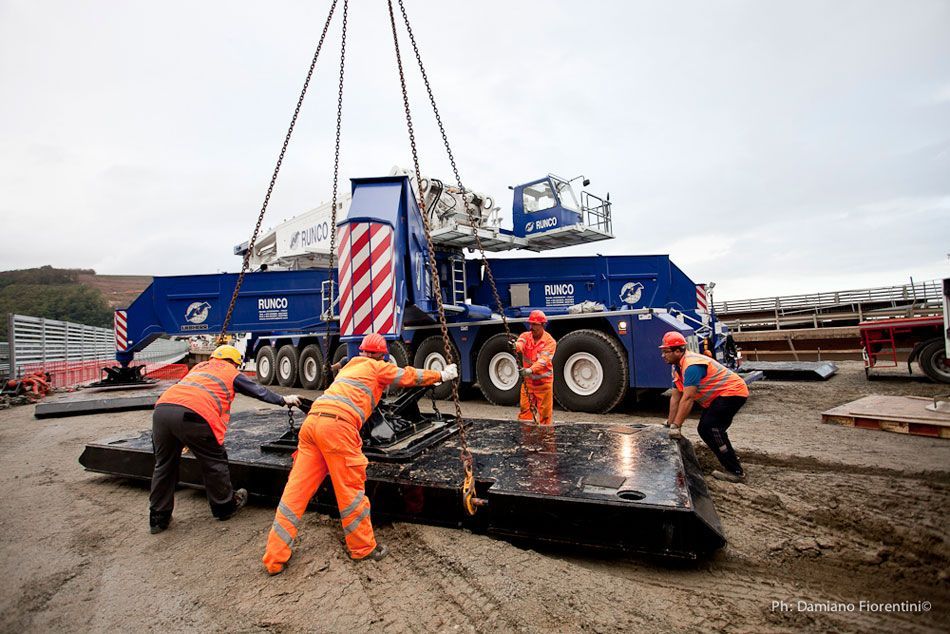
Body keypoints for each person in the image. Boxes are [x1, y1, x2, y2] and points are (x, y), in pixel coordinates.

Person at [262, 333, 457, 576]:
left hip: (312, 424)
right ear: (382, 356)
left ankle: (274, 557)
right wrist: (441, 375)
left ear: (362, 351)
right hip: (338, 428)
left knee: (295, 492)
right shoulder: (378, 367)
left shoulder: (349, 367)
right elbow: (409, 376)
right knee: (351, 491)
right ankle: (362, 548)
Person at [149, 345, 301, 534]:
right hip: (194, 415)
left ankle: (158, 518)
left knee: (164, 465)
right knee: (214, 462)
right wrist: (283, 400)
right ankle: (224, 506)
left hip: (162, 412)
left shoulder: (198, 368)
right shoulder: (230, 371)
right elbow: (257, 390)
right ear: (234, 362)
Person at [659, 331, 750, 483]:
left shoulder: (691, 366)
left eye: (666, 351)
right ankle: (728, 457)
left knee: (712, 428)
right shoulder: (677, 367)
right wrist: (670, 423)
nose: (663, 355)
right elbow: (676, 397)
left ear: (678, 351)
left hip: (733, 392)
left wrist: (677, 426)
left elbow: (688, 398)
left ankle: (735, 472)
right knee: (705, 429)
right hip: (721, 395)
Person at [513, 310, 557, 425]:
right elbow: (520, 344)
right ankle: (526, 433)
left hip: (544, 384)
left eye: (535, 324)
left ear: (543, 325)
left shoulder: (550, 342)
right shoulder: (525, 336)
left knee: (545, 417)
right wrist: (515, 346)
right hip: (528, 384)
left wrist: (530, 370)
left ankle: (545, 435)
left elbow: (543, 361)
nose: (531, 327)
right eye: (530, 324)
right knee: (525, 414)